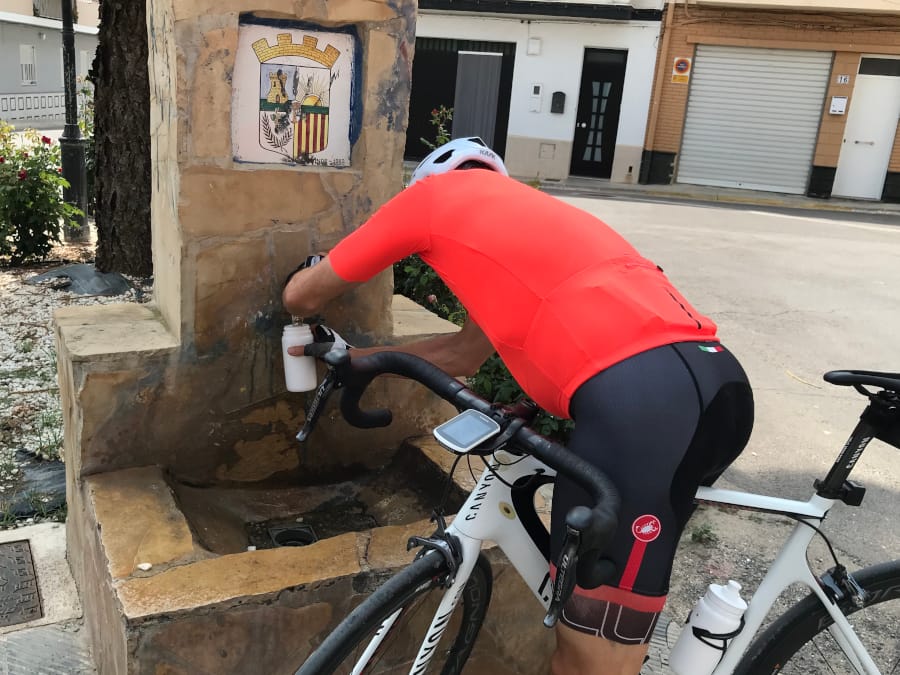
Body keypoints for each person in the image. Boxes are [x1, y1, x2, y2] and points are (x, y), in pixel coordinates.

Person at [282, 137, 754, 674]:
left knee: (589, 659)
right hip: (712, 379)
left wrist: (299, 296)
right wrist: (364, 357)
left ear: (432, 180)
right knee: (618, 609)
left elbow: (303, 297)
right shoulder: (532, 222)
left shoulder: (428, 200)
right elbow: (463, 353)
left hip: (642, 408)